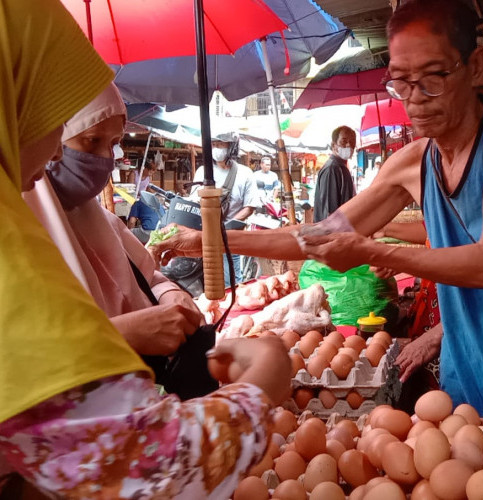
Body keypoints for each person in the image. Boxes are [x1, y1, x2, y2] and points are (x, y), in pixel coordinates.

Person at [151, 0, 483, 416]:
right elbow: (317, 234)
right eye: (401, 81)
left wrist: (373, 251)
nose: (415, 97)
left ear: (476, 66)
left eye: (433, 77)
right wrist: (209, 240)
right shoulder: (412, 163)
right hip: (471, 367)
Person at [0, 1, 290, 497]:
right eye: (47, 113)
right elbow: (156, 469)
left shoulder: (93, 219)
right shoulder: (12, 248)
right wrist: (267, 379)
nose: (51, 149)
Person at [24, 83, 201, 359]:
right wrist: (119, 335)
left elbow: (146, 277)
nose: (106, 158)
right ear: (51, 139)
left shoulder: (105, 222)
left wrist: (170, 294)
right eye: (92, 140)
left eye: (114, 144)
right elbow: (21, 352)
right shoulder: (18, 231)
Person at [190, 132, 258, 286]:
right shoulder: (203, 172)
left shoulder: (245, 173)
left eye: (220, 144)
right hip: (205, 235)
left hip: (230, 238)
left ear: (232, 146)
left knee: (231, 283)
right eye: (213, 145)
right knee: (206, 281)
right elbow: (195, 202)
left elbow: (249, 207)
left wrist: (227, 226)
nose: (216, 148)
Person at [313, 125, 357, 222]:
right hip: (331, 233)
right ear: (333, 145)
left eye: (352, 142)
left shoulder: (342, 168)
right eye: (344, 142)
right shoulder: (332, 169)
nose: (349, 145)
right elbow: (330, 212)